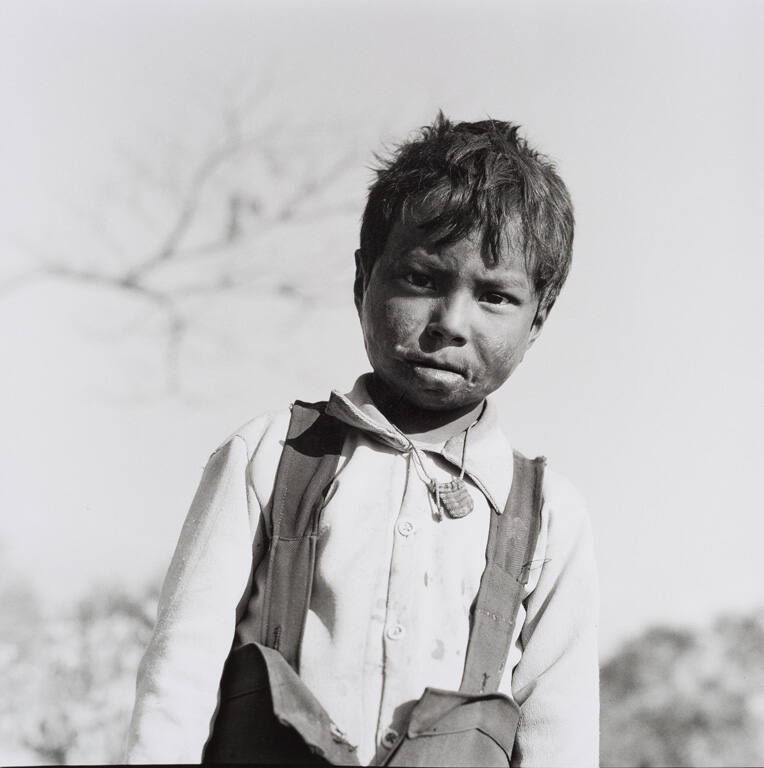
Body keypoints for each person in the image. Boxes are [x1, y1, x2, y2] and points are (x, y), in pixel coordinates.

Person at [125, 113, 599, 766]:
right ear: (363, 279)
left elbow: (560, 734)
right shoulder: (267, 457)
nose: (451, 324)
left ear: (537, 318)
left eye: (493, 297)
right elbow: (180, 677)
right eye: (423, 280)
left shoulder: (549, 517)